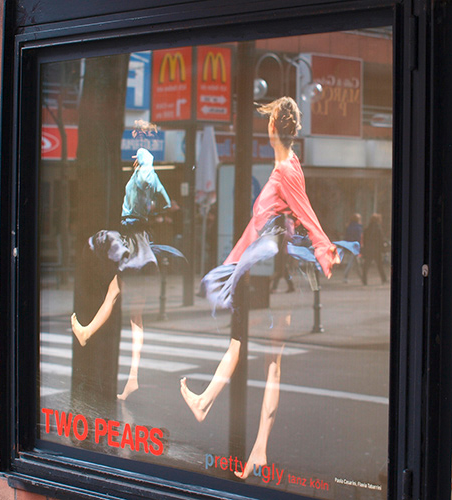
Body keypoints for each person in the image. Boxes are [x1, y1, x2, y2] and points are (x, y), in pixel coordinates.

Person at [180, 97, 340, 479]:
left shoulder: (284, 171)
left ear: (272, 129)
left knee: (240, 345)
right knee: (270, 364)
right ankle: (259, 450)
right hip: (277, 276)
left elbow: (306, 213)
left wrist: (324, 247)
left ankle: (206, 405)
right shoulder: (289, 165)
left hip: (267, 278)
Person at [71, 148, 182, 401]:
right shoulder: (151, 178)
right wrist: (152, 209)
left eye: (136, 158)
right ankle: (133, 377)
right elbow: (166, 203)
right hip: (143, 242)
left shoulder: (140, 177)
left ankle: (86, 333)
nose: (134, 161)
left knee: (113, 295)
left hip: (133, 241)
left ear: (139, 161)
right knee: (135, 317)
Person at [362, 213, 387, 285]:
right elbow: (381, 239)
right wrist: (383, 249)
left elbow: (364, 239)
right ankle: (384, 279)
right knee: (379, 265)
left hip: (369, 249)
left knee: (366, 265)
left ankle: (364, 279)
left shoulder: (367, 228)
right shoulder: (378, 228)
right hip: (376, 249)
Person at [343, 213, 363, 283]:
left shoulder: (349, 226)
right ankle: (345, 276)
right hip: (355, 246)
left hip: (350, 245)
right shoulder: (358, 227)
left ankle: (362, 277)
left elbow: (346, 236)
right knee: (352, 262)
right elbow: (358, 238)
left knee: (356, 262)